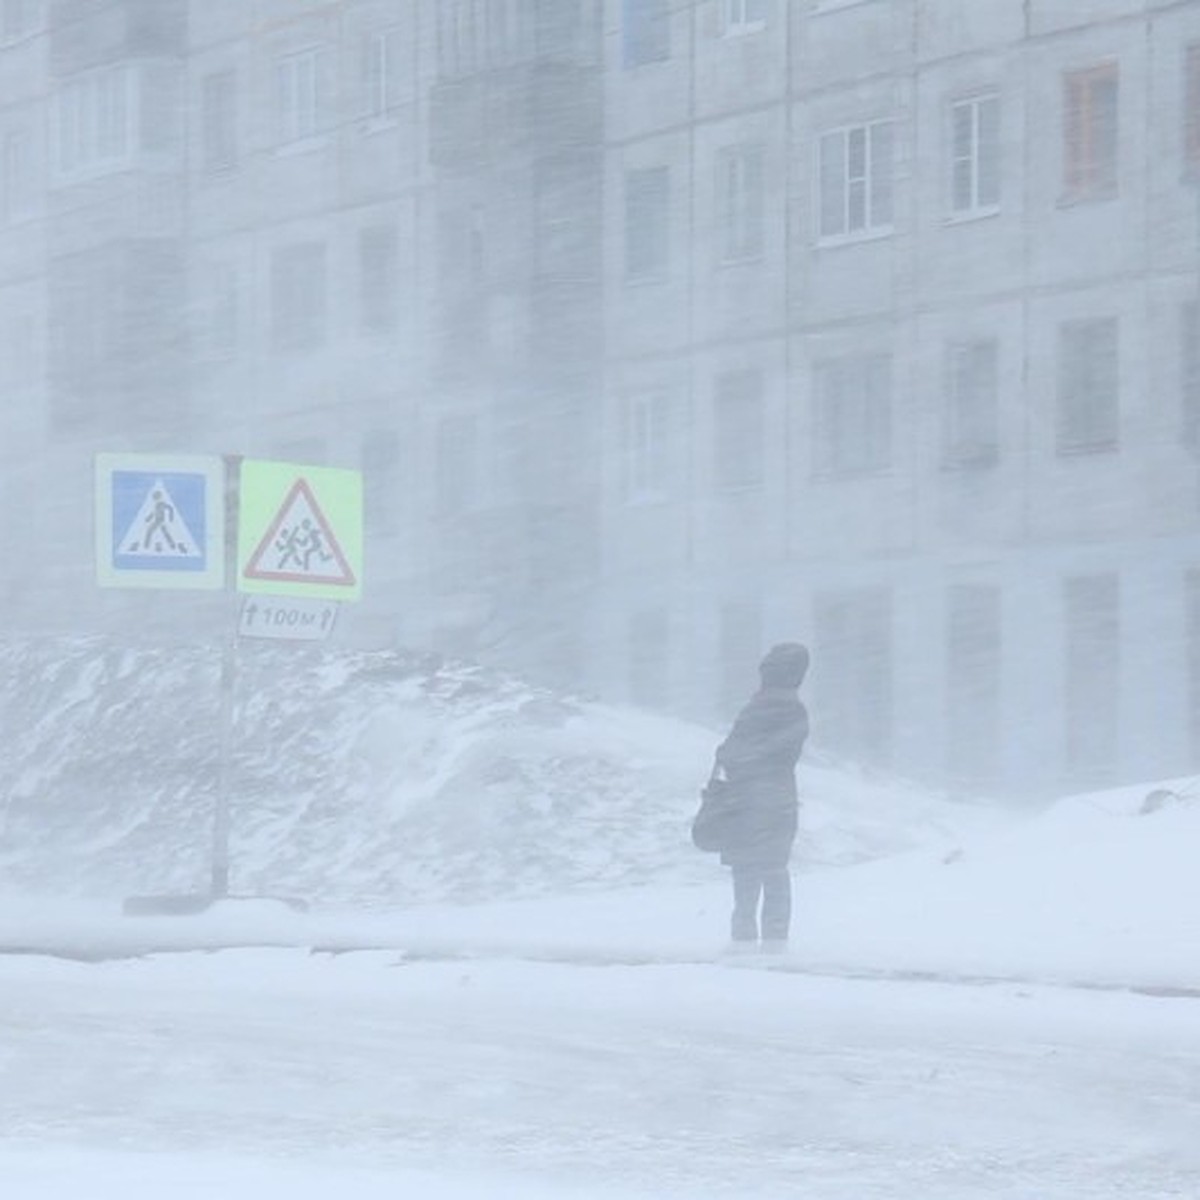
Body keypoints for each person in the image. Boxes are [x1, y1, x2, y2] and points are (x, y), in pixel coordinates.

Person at [711, 642, 809, 952]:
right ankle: (775, 939)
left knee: (748, 872)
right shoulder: (792, 709)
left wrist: (734, 756)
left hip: (749, 800)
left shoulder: (762, 708)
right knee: (773, 869)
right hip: (777, 799)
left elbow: (734, 752)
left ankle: (745, 940)